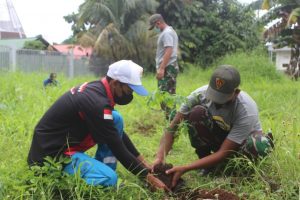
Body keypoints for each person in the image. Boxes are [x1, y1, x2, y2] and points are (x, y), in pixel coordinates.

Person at [28, 60, 168, 190]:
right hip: (51, 156)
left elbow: (113, 133)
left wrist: (144, 163)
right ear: (115, 83)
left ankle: (104, 167)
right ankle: (59, 186)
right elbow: (117, 147)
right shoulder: (96, 103)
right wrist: (150, 179)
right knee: (109, 179)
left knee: (116, 118)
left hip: (63, 145)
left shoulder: (98, 90)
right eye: (129, 89)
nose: (130, 94)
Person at [152, 65, 274, 188]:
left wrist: (186, 168)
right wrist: (160, 157)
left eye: (222, 98)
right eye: (214, 95)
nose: (216, 101)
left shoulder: (246, 110)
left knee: (259, 144)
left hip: (241, 146)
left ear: (236, 93)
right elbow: (173, 127)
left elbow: (223, 152)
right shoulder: (198, 95)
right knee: (196, 113)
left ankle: (238, 171)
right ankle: (207, 165)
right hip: (221, 137)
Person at [148, 13, 179, 120]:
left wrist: (161, 68)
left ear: (158, 22)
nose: (155, 29)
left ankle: (172, 124)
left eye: (155, 27)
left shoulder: (167, 33)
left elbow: (169, 50)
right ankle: (170, 121)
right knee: (164, 96)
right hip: (168, 67)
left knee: (167, 97)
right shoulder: (169, 32)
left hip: (168, 68)